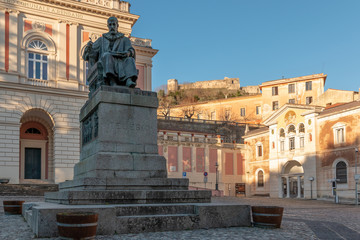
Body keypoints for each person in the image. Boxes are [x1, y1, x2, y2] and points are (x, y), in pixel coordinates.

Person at [83, 16, 138, 88]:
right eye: (110, 25)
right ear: (108, 26)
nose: (112, 26)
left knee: (130, 59)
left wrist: (128, 53)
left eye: (114, 24)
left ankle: (128, 80)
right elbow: (91, 55)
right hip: (106, 61)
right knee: (107, 55)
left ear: (117, 26)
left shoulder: (125, 39)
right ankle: (112, 81)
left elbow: (131, 50)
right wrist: (88, 49)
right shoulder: (101, 40)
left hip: (121, 60)